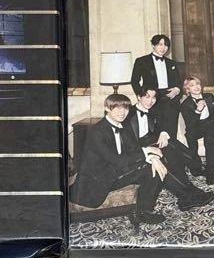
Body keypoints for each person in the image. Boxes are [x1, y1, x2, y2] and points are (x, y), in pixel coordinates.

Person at [69, 93, 187, 226]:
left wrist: (152, 157)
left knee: (156, 164)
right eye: (117, 108)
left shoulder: (123, 126)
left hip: (114, 170)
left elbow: (133, 149)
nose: (122, 112)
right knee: (149, 168)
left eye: (125, 108)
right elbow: (116, 160)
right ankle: (155, 207)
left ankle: (145, 210)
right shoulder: (97, 132)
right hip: (98, 179)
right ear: (107, 108)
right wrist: (147, 152)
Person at [126, 88, 210, 211]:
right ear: (139, 97)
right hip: (138, 149)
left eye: (153, 97)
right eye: (147, 97)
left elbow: (163, 123)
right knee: (170, 157)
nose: (150, 101)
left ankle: (188, 193)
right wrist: (149, 151)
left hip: (152, 141)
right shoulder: (127, 113)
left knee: (173, 152)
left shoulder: (153, 109)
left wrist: (163, 132)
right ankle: (187, 195)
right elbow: (127, 144)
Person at [178, 76, 214, 184]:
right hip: (195, 126)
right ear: (187, 89)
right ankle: (196, 166)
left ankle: (210, 170)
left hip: (210, 124)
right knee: (190, 137)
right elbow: (190, 124)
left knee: (209, 138)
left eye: (198, 84)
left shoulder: (209, 96)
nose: (196, 87)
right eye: (192, 85)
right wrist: (198, 110)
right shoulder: (185, 104)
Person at [130, 34, 183, 138]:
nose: (163, 48)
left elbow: (179, 82)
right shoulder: (141, 61)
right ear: (153, 45)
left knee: (171, 131)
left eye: (166, 45)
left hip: (170, 98)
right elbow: (134, 81)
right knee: (155, 130)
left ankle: (171, 148)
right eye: (160, 44)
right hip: (153, 98)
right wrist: (143, 96)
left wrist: (176, 90)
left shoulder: (172, 63)